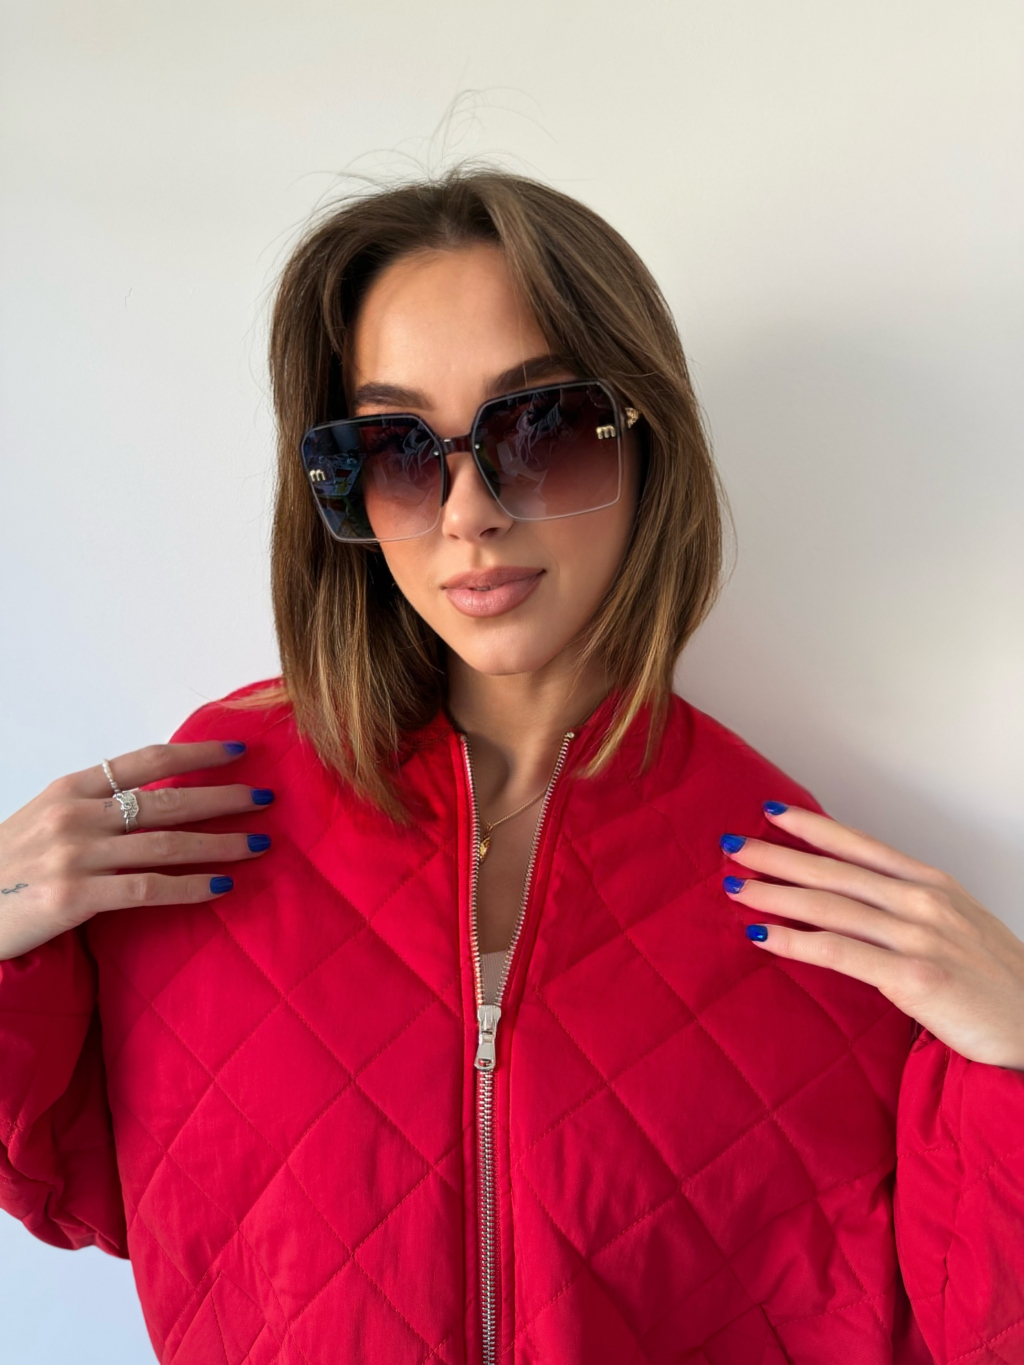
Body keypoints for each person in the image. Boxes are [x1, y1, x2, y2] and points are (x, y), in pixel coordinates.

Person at [1, 168, 1022, 1365]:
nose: (468, 514)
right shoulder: (205, 817)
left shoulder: (809, 905)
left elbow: (970, 1325)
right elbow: (75, 1180)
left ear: (645, 444)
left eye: (540, 432)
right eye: (396, 450)